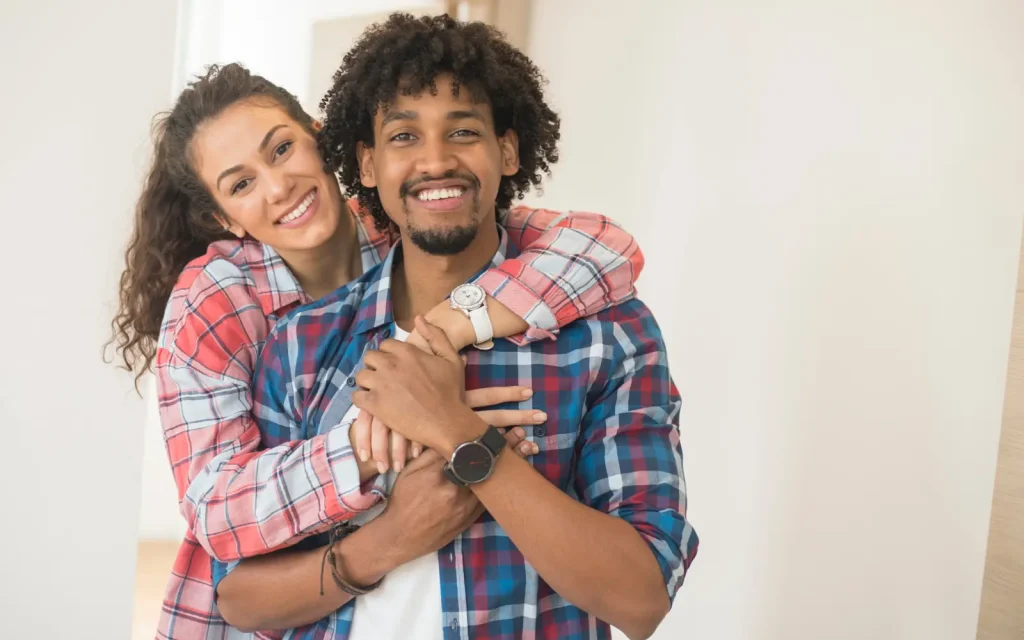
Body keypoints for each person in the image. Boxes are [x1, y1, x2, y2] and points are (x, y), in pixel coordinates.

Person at [108, 60, 647, 638]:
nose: (278, 185)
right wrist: (368, 439)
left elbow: (603, 246)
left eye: (282, 149)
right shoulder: (219, 301)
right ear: (224, 218)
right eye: (241, 184)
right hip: (263, 604)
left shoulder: (407, 217)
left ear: (320, 138)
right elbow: (216, 508)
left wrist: (432, 337)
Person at [214, 13, 697, 640]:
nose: (436, 160)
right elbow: (240, 600)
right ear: (367, 163)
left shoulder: (607, 334)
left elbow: (641, 598)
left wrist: (462, 436)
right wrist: (386, 541)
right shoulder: (303, 344)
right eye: (404, 136)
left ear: (508, 150)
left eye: (463, 130)